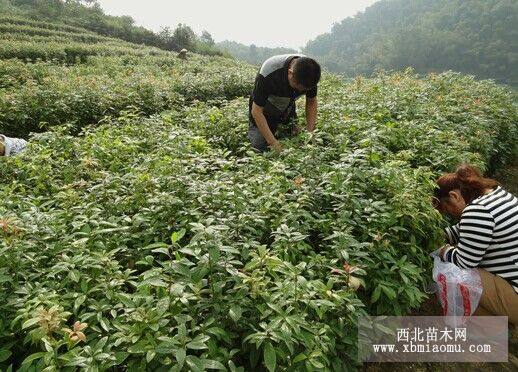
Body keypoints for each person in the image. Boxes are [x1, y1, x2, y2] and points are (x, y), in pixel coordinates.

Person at [432, 164, 518, 324]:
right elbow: (466, 230)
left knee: (456, 276)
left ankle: (486, 331)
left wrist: (441, 250)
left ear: (454, 196)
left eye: (446, 208)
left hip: (515, 292)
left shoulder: (477, 210)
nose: (450, 213)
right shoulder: (496, 195)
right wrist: (437, 235)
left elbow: (465, 261)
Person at [248, 54, 321, 152]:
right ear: (290, 73)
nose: (300, 91)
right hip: (265, 108)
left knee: (298, 141)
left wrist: (310, 132)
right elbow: (256, 111)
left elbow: (311, 101)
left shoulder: (311, 74)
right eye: (297, 87)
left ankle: (288, 124)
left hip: (287, 107)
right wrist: (273, 142)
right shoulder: (268, 72)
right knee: (259, 147)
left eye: (304, 90)